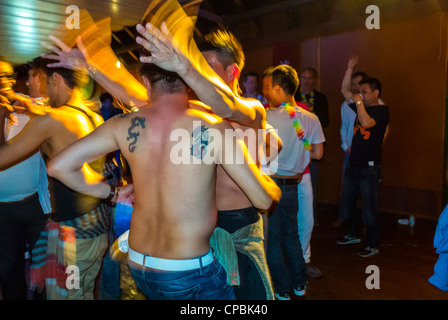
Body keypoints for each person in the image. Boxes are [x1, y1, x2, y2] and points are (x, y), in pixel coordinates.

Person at [47, 62, 281, 300]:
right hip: (188, 270)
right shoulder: (212, 127)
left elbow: (58, 166)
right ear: (189, 84)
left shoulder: (124, 124)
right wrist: (272, 185)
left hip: (139, 265)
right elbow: (261, 199)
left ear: (146, 83)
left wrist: (112, 193)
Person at [135, 20, 282, 300]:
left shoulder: (252, 110)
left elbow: (224, 105)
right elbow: (134, 96)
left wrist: (186, 68)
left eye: (206, 69)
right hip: (201, 234)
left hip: (241, 229)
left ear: (232, 72)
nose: (195, 78)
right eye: (196, 68)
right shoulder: (192, 111)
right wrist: (93, 66)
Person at [0, 59, 110, 299]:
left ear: (56, 80)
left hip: (74, 235)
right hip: (99, 226)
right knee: (85, 291)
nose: (42, 90)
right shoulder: (93, 115)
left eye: (45, 81)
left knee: (67, 296)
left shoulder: (51, 120)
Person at [265, 64, 325, 300]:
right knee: (291, 235)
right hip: (293, 185)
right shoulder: (310, 118)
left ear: (279, 89)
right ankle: (299, 284)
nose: (267, 92)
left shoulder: (266, 116)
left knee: (273, 240)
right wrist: (299, 154)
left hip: (271, 185)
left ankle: (281, 289)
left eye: (270, 88)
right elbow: (318, 153)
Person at [0, 56, 51, 300]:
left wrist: (25, 104)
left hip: (35, 206)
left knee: (43, 269)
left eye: (9, 76)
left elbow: (55, 117)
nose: (5, 81)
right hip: (2, 210)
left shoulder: (31, 109)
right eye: (0, 76)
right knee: (7, 270)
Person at [337, 55, 390, 257]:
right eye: (360, 91)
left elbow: (367, 123)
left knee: (369, 207)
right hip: (354, 163)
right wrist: (349, 69)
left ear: (376, 93)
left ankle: (372, 244)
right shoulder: (360, 105)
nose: (361, 95)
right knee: (348, 201)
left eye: (365, 92)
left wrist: (358, 103)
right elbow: (344, 91)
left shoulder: (382, 110)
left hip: (370, 167)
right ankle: (353, 234)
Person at [333, 71, 368, 228]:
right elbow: (343, 128)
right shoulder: (345, 105)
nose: (355, 87)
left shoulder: (374, 103)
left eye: (359, 84)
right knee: (346, 188)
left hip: (367, 155)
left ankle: (367, 223)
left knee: (367, 191)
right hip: (350, 153)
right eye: (353, 84)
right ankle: (344, 218)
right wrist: (345, 146)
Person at [295, 67, 328, 224]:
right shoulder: (294, 97)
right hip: (295, 144)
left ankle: (311, 214)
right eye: (304, 77)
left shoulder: (320, 98)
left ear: (314, 80)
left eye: (309, 78)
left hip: (313, 143)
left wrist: (311, 120)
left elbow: (326, 122)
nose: (306, 81)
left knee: (311, 180)